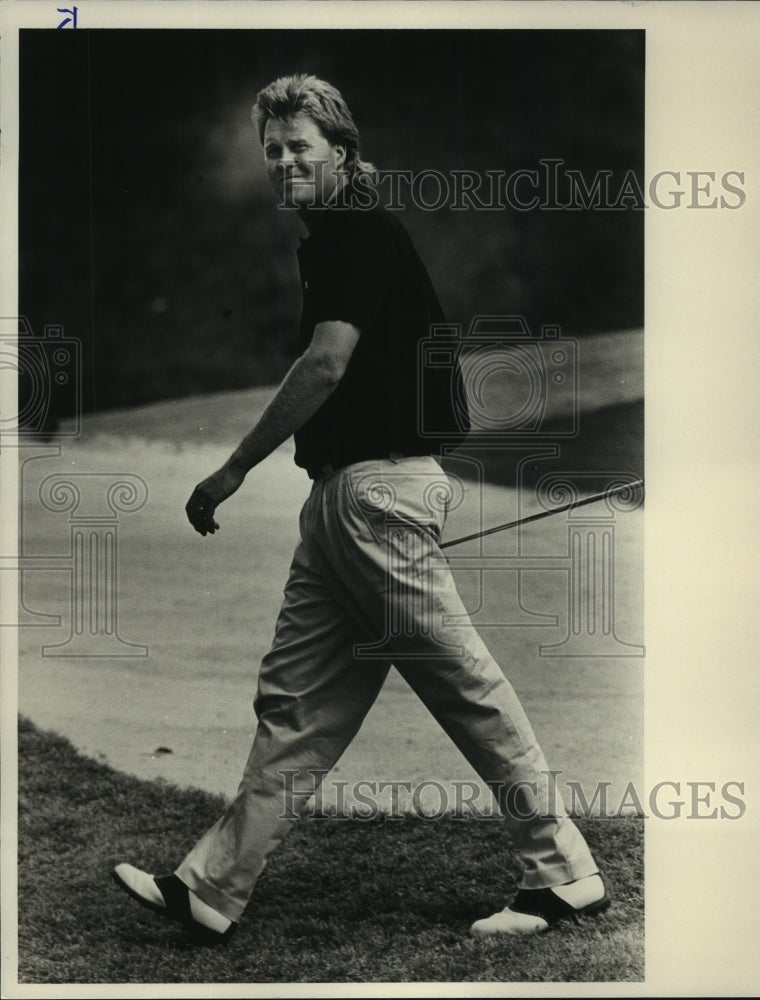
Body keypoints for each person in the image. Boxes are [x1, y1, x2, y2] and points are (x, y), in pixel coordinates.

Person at [113, 73, 610, 944]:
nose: (283, 162)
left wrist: (229, 472)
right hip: (347, 502)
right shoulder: (343, 235)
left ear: (340, 154)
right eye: (272, 151)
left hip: (374, 497)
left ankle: (564, 872)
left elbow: (325, 365)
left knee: (465, 687)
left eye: (299, 146)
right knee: (297, 705)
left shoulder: (350, 232)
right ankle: (211, 888)